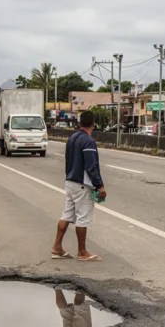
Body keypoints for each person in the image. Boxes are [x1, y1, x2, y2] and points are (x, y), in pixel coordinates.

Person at [51, 110, 106, 261]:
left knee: (67, 215)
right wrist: (99, 186)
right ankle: (82, 252)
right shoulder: (88, 142)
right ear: (93, 124)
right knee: (82, 218)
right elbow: (91, 166)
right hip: (82, 185)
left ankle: (57, 247)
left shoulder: (72, 138)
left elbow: (68, 161)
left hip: (70, 182)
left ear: (80, 122)